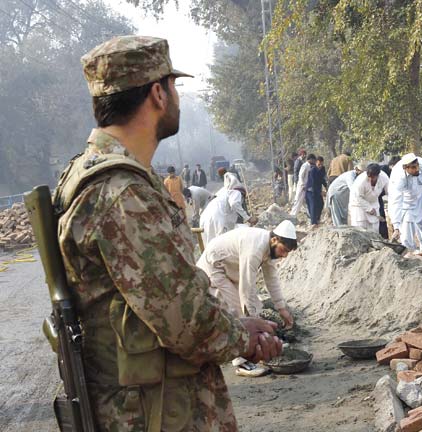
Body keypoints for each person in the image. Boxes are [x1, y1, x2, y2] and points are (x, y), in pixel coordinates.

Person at [54, 35, 282, 431]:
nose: (177, 97)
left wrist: (237, 326)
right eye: (174, 86)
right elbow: (185, 320)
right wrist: (243, 338)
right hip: (152, 412)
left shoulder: (98, 176)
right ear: (158, 93)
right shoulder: (124, 194)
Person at [196, 220, 298, 376]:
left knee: (252, 306)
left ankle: (254, 349)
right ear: (274, 239)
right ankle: (242, 362)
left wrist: (282, 308)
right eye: (283, 250)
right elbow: (246, 286)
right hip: (214, 266)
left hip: (229, 269)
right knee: (237, 310)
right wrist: (254, 321)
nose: (283, 255)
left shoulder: (269, 249)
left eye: (287, 253)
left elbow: (271, 279)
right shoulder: (255, 248)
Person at [388, 153, 422, 251]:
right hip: (405, 202)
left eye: (417, 166)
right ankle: (410, 254)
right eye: (413, 168)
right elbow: (396, 200)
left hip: (420, 197)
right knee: (407, 233)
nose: (417, 169)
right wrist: (396, 226)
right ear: (405, 168)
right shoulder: (398, 177)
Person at [200, 176, 256, 243]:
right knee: (221, 243)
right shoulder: (236, 192)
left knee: (210, 244)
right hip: (217, 217)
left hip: (205, 217)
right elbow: (234, 204)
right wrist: (248, 218)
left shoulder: (223, 193)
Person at [349, 163, 390, 232]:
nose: (370, 179)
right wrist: (368, 208)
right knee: (360, 230)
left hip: (373, 203)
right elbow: (358, 197)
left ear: (378, 175)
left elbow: (389, 193)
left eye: (373, 177)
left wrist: (389, 209)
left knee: (375, 230)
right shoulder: (360, 181)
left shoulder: (384, 178)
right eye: (369, 177)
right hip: (358, 205)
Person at [326, 162, 366, 226]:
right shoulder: (350, 175)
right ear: (357, 170)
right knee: (337, 216)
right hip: (335, 194)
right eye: (362, 172)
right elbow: (353, 190)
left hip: (342, 196)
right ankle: (339, 231)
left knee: (344, 214)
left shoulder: (358, 177)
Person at [379, 156, 401, 239]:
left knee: (382, 216)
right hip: (376, 195)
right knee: (380, 215)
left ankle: (385, 236)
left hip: (381, 195)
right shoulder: (384, 171)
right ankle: (383, 237)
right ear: (392, 165)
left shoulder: (395, 172)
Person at [306, 156, 328, 226]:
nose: (320, 166)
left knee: (321, 204)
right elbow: (313, 183)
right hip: (310, 191)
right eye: (319, 164)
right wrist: (320, 192)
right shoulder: (312, 171)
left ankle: (317, 219)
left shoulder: (322, 169)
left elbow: (322, 179)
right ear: (316, 163)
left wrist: (327, 187)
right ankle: (313, 223)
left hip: (317, 190)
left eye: (321, 164)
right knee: (313, 206)